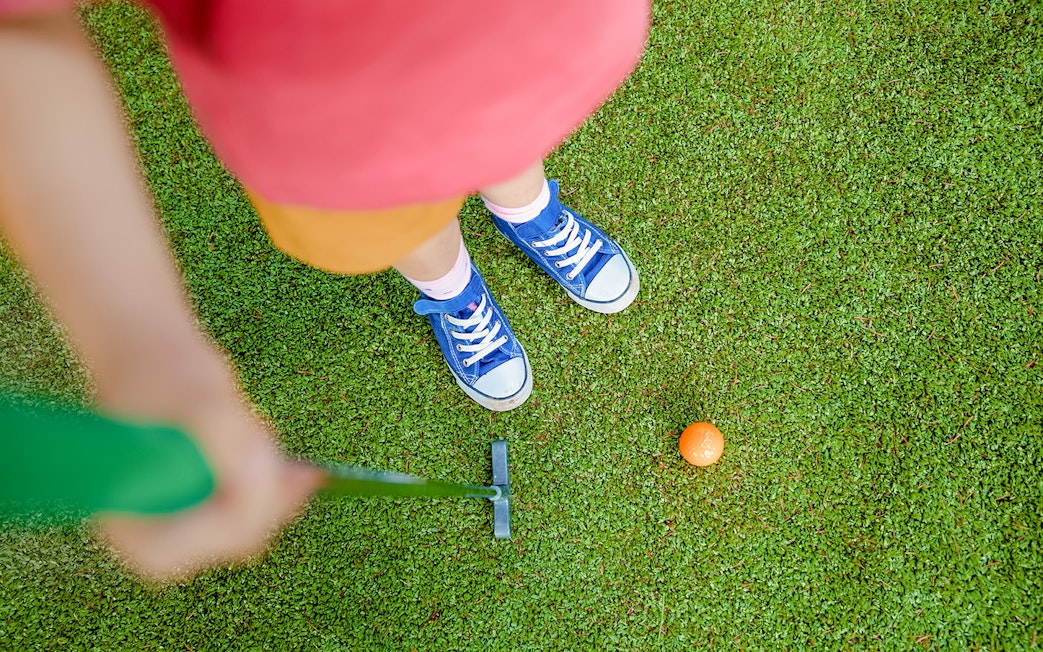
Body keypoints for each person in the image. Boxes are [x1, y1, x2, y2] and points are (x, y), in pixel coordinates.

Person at [0, 0, 649, 579]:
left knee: (508, 130)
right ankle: (454, 290)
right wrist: (146, 350)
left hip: (536, 45)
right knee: (392, 217)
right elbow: (16, 28)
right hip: (329, 132)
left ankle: (528, 213)